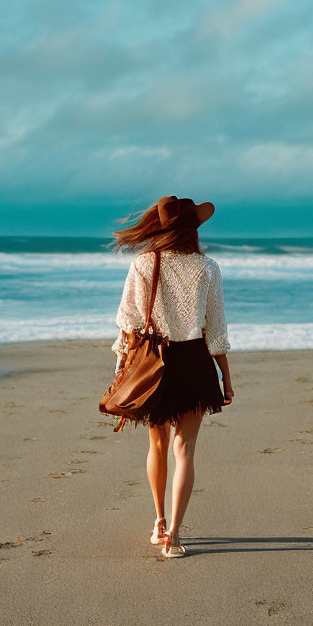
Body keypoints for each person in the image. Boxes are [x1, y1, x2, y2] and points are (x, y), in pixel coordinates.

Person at [109, 196, 234, 558]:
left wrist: (122, 368)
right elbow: (217, 330)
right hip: (194, 361)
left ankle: (159, 522)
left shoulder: (143, 264)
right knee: (185, 450)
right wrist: (226, 378)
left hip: (154, 363)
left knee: (159, 446)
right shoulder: (207, 267)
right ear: (193, 228)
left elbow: (128, 324)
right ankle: (175, 537)